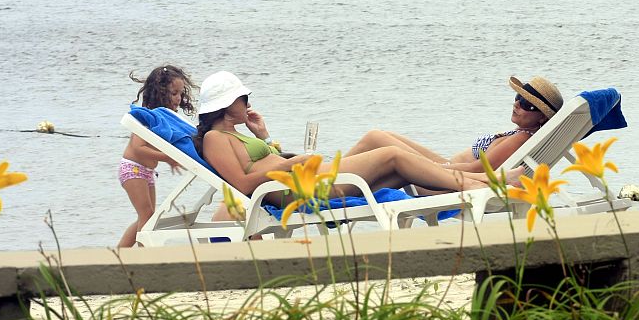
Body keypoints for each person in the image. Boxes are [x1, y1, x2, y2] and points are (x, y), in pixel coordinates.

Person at [194, 72, 511, 211]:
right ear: (225, 104)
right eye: (242, 97)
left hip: (304, 176)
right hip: (300, 189)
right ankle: (474, 183)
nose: (248, 101)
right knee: (390, 156)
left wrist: (264, 137)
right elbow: (242, 184)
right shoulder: (214, 138)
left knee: (378, 139)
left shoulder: (235, 133)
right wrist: (290, 163)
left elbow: (265, 162)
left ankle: (475, 176)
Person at [346, 76, 564, 174]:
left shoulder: (521, 139)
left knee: (375, 138)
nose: (516, 104)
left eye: (526, 104)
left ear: (542, 118)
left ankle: (331, 181)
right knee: (383, 135)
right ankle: (336, 179)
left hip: (445, 180)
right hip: (446, 168)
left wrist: (434, 169)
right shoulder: (524, 134)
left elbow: (478, 170)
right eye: (518, 97)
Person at [118, 65, 195, 248]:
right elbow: (139, 148)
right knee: (146, 216)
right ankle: (145, 254)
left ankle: (121, 253)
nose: (178, 98)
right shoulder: (150, 117)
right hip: (132, 169)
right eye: (174, 93)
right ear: (160, 92)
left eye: (180, 94)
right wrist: (167, 157)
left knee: (148, 216)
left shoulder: (164, 118)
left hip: (146, 172)